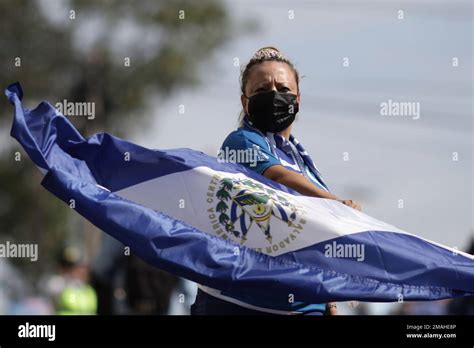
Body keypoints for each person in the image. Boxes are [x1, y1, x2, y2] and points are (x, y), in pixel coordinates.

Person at [191, 46, 362, 316]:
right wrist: (335, 202)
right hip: (238, 303)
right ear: (245, 102)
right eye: (261, 91)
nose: (273, 96)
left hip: (303, 306)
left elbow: (317, 233)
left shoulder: (303, 162)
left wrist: (330, 301)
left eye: (283, 88)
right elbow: (277, 174)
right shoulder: (241, 141)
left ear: (298, 99)